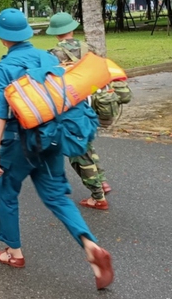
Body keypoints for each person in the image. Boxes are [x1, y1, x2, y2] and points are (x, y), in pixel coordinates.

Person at [0, 8, 113, 290]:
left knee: (7, 192)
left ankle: (13, 253)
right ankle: (90, 244)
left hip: (19, 142)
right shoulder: (47, 57)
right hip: (52, 137)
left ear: (4, 38)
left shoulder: (5, 66)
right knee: (57, 195)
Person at [46, 12, 112, 210]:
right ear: (72, 28)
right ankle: (102, 181)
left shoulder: (53, 54)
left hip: (72, 106)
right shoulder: (89, 48)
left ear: (56, 34)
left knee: (78, 152)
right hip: (93, 103)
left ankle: (97, 197)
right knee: (87, 144)